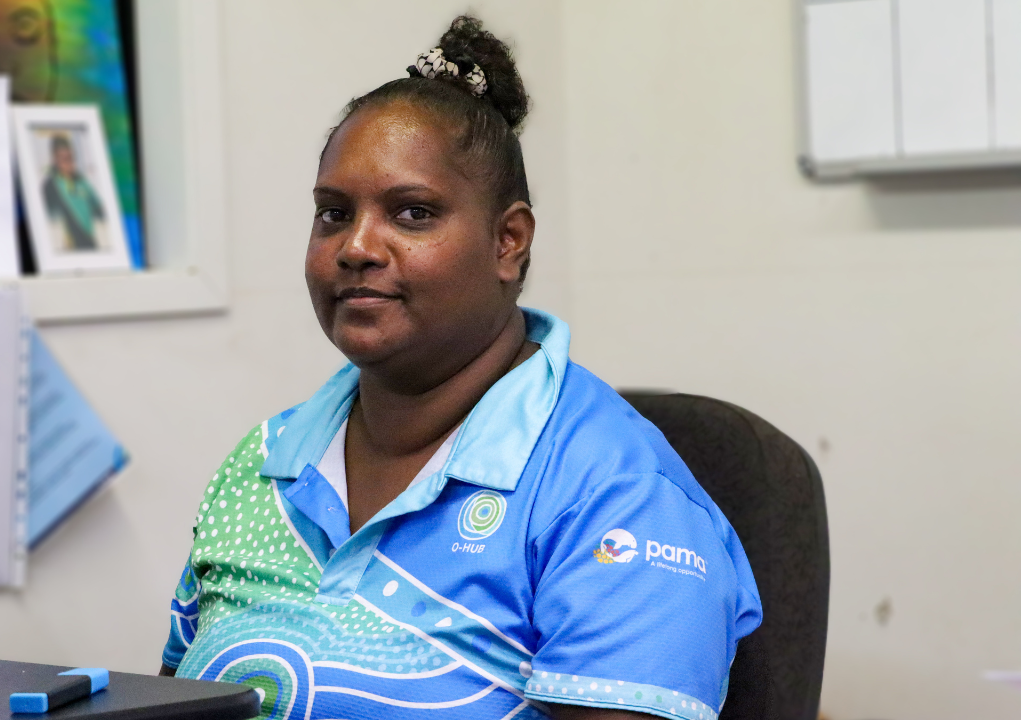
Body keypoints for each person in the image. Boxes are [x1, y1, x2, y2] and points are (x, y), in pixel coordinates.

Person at [159, 16, 762, 720]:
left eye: (411, 213)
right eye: (332, 214)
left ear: (509, 241)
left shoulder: (614, 492)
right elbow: (170, 701)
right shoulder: (261, 465)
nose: (356, 246)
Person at [41, 133, 105, 252]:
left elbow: (98, 207)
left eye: (70, 157)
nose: (68, 162)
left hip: (89, 241)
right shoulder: (49, 185)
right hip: (68, 247)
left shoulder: (81, 181)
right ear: (55, 159)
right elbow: (48, 218)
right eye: (63, 158)